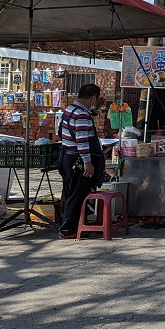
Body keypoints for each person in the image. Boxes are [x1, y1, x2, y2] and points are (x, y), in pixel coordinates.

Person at [57, 83, 105, 239]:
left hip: (66, 156)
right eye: (97, 99)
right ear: (92, 98)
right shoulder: (82, 115)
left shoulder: (70, 110)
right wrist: (87, 162)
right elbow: (82, 141)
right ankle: (68, 230)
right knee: (77, 194)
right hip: (77, 159)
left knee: (70, 192)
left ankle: (70, 226)